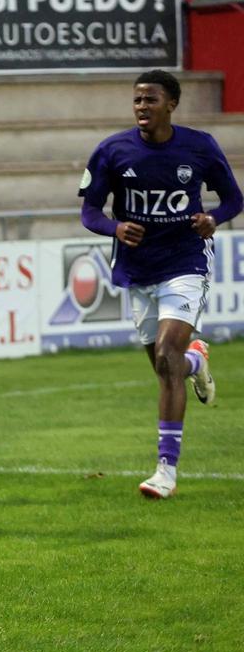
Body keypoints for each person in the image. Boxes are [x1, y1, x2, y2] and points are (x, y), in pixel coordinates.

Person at [79, 69, 242, 499]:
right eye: (137, 100)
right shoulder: (112, 151)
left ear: (171, 104)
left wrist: (214, 219)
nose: (142, 107)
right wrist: (114, 229)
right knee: (165, 366)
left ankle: (165, 470)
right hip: (138, 269)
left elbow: (233, 199)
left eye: (150, 100)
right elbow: (90, 212)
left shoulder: (200, 146)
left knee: (168, 355)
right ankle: (197, 363)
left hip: (185, 261)